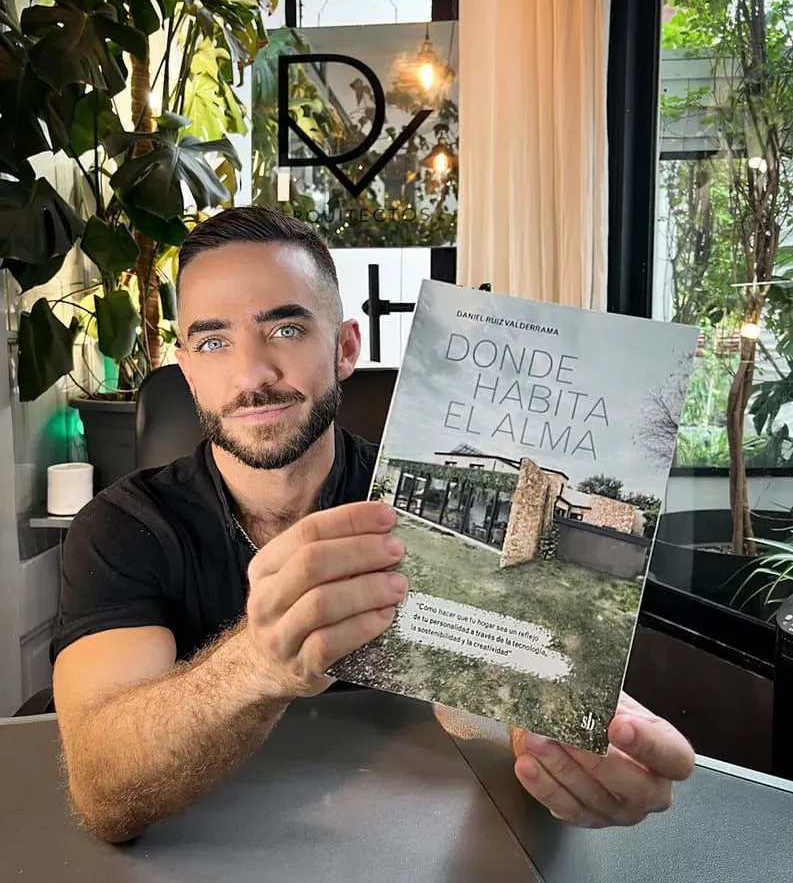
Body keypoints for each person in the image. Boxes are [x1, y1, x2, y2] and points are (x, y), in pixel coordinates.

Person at [52, 206, 695, 844]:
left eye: (286, 330)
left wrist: (549, 733)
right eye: (214, 341)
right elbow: (102, 790)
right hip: (204, 862)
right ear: (187, 369)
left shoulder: (409, 506)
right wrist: (260, 663)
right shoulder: (121, 529)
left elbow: (493, 692)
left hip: (414, 844)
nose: (252, 374)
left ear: (345, 349)